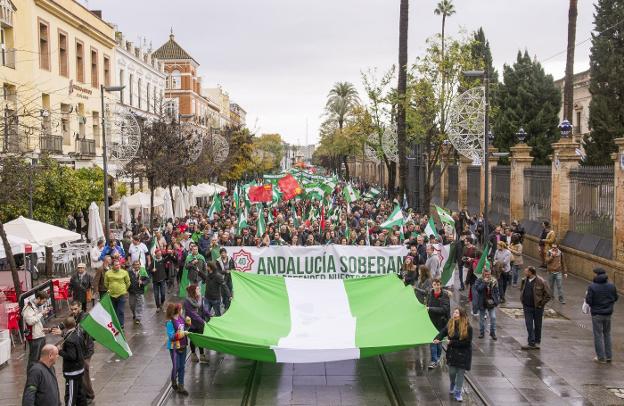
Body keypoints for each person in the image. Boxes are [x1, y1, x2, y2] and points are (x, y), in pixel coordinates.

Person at [433, 308, 473, 402]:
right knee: (452, 372)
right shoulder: (450, 323)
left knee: (460, 373)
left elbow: (467, 343)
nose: (454, 314)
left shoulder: (468, 327)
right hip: (452, 353)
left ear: (461, 315)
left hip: (463, 354)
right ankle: (452, 383)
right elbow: (443, 332)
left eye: (457, 313)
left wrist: (451, 342)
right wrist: (437, 338)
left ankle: (458, 392)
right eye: (454, 312)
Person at [585, 268, 618, 363]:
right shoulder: (611, 286)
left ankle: (601, 357)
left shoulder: (592, 287)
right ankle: (609, 356)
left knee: (598, 335)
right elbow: (615, 298)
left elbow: (589, 301)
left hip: (597, 314)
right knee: (607, 334)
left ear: (596, 275)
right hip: (608, 314)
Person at [520, 266, 552, 350]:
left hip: (537, 307)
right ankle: (531, 342)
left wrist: (541, 304)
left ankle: (537, 341)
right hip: (527, 306)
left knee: (538, 325)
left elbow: (548, 295)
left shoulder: (541, 281)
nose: (525, 272)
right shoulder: (524, 280)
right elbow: (522, 290)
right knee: (529, 324)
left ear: (531, 273)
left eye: (526, 271)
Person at [58, 316, 86, 406]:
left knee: (70, 395)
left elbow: (71, 356)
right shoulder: (79, 333)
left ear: (66, 326)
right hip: (80, 368)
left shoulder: (69, 339)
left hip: (72, 372)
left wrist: (60, 351)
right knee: (80, 395)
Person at [22, 291, 51, 372]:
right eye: (43, 301)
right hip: (35, 337)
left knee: (40, 357)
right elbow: (30, 321)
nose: (43, 303)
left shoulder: (35, 306)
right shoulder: (28, 307)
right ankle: (32, 377)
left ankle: (39, 375)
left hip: (40, 335)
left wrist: (43, 315)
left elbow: (36, 320)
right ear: (38, 298)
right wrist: (41, 313)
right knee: (34, 359)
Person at [165, 303, 189, 396]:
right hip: (174, 348)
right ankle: (174, 380)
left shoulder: (181, 318)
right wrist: (182, 333)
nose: (182, 310)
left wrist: (188, 324)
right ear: (177, 310)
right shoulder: (170, 322)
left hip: (183, 345)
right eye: (181, 309)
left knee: (182, 366)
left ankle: (181, 386)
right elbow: (171, 336)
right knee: (177, 366)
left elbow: (184, 328)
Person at [426, 279, 450, 369]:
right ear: (432, 285)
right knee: (433, 341)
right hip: (431, 322)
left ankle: (437, 358)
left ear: (440, 285)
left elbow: (444, 310)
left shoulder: (444, 296)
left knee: (438, 341)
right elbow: (426, 303)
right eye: (434, 284)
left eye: (438, 284)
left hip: (441, 322)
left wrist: (430, 309)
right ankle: (434, 360)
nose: (436, 286)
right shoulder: (430, 294)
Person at [184, 285, 209, 364]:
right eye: (197, 289)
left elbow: (203, 309)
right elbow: (193, 314)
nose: (199, 290)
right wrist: (203, 321)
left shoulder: (200, 298)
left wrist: (209, 315)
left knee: (200, 338)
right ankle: (193, 354)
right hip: (192, 323)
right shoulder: (187, 301)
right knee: (194, 339)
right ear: (193, 291)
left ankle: (202, 355)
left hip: (200, 322)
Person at [104, 258, 130, 329]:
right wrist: (110, 288)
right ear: (112, 266)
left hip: (121, 294)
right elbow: (106, 283)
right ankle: (115, 324)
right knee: (114, 311)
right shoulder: (108, 273)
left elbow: (128, 282)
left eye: (119, 264)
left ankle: (121, 325)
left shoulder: (124, 272)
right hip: (112, 294)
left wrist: (124, 289)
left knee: (120, 310)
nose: (118, 266)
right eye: (116, 265)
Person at [474, 269, 500, 340]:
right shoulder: (479, 280)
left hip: (491, 302)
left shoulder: (494, 280)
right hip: (482, 302)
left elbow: (497, 291)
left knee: (493, 317)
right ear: (483, 274)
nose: (487, 276)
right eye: (486, 275)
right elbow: (478, 289)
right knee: (482, 319)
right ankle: (482, 332)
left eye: (489, 274)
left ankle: (493, 333)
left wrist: (497, 300)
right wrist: (484, 283)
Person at [128, 260, 149, 325]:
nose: (137, 266)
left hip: (140, 291)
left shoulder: (142, 272)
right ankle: (134, 314)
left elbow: (147, 280)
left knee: (140, 304)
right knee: (132, 305)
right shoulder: (129, 272)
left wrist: (142, 282)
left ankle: (138, 318)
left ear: (140, 265)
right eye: (135, 265)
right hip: (132, 291)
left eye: (138, 264)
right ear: (133, 266)